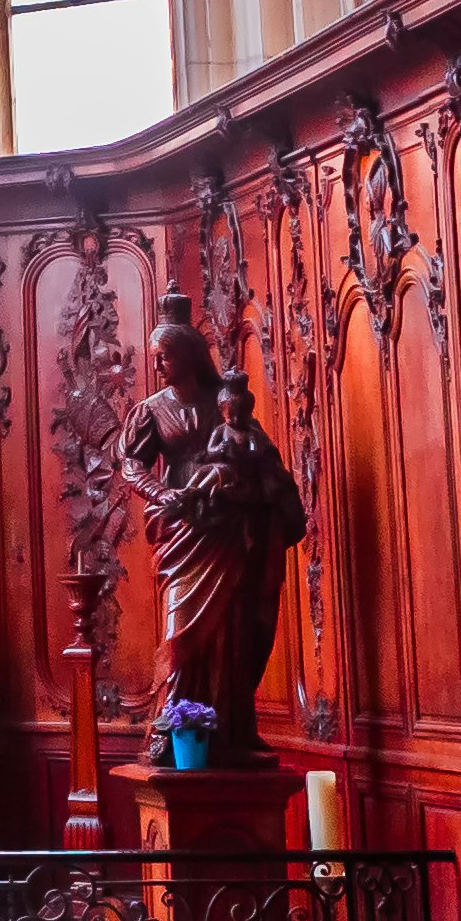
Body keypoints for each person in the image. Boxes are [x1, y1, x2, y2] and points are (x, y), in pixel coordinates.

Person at [116, 299, 311, 740]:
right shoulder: (151, 409)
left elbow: (257, 453)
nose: (160, 365)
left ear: (188, 354)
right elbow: (131, 464)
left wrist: (238, 480)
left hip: (228, 525)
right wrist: (162, 493)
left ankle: (230, 729)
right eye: (155, 358)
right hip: (180, 530)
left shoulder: (225, 402)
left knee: (233, 629)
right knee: (179, 629)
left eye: (166, 356)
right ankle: (174, 733)